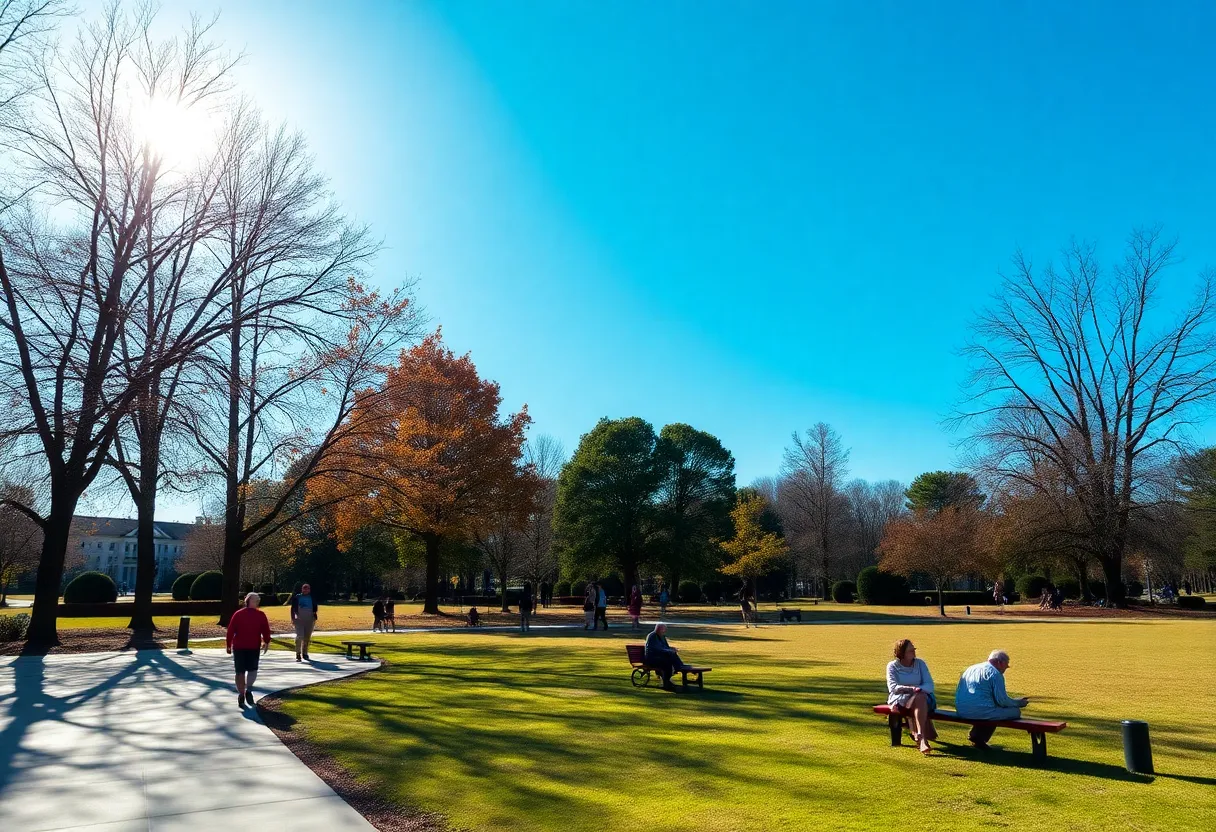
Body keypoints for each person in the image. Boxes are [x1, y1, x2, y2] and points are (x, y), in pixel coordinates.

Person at [954, 649, 1031, 748]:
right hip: (980, 711)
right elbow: (1002, 701)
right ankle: (979, 739)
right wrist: (1019, 703)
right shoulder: (995, 674)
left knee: (991, 708)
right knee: (1014, 712)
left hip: (961, 710)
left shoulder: (970, 669)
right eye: (1006, 666)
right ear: (1000, 662)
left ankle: (976, 736)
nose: (1005, 670)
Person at [886, 639, 936, 755]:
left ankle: (920, 736)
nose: (913, 652)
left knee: (920, 697)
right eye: (910, 650)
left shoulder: (920, 663)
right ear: (901, 653)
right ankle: (922, 738)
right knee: (919, 696)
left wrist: (918, 690)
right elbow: (893, 688)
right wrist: (911, 689)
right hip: (901, 699)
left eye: (914, 649)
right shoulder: (892, 666)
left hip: (923, 698)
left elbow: (929, 685)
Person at [226, 591, 271, 709]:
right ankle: (241, 693)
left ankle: (248, 690)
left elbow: (265, 629)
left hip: (254, 647)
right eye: (256, 600)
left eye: (258, 600)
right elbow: (231, 630)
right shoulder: (238, 614)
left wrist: (266, 641)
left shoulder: (261, 615)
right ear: (249, 600)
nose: (257, 602)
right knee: (239, 671)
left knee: (252, 670)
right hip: (239, 647)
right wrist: (228, 644)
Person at [644, 623, 687, 692]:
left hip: (660, 657)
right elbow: (657, 649)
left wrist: (671, 649)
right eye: (663, 629)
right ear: (658, 629)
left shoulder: (662, 637)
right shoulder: (652, 636)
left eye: (664, 630)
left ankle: (680, 667)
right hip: (652, 659)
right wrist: (669, 650)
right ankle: (668, 680)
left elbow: (665, 647)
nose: (664, 631)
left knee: (672, 655)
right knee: (667, 662)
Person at [289, 583, 319, 662]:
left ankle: (304, 653)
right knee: (299, 636)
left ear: (309, 590)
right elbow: (293, 608)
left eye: (307, 588)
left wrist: (314, 615)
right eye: (304, 588)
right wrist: (293, 618)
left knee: (307, 638)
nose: (306, 590)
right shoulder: (297, 597)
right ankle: (298, 653)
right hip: (299, 620)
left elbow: (315, 607)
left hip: (310, 620)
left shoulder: (312, 597)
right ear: (302, 589)